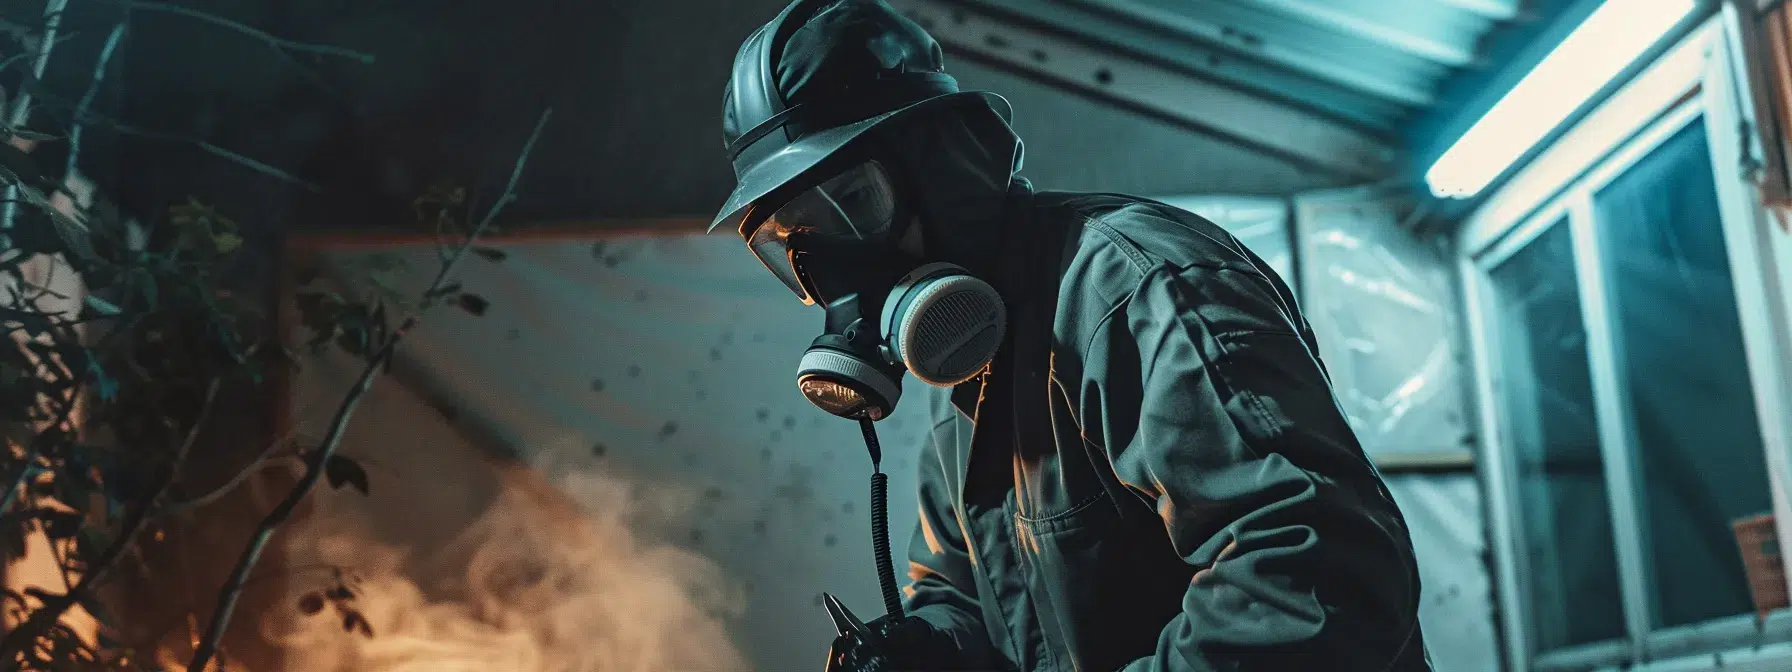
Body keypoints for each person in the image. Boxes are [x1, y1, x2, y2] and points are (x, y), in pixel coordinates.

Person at [711, 1, 1434, 670]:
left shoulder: (1135, 293)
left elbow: (1317, 579)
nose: (835, 267)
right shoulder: (965, 380)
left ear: (943, 164)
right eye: (795, 243)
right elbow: (969, 595)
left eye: (854, 203)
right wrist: (933, 648)